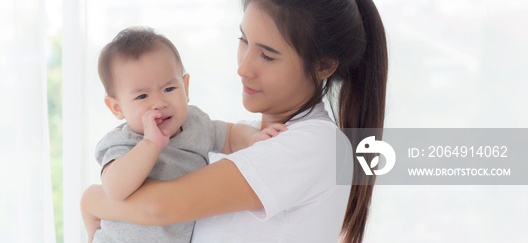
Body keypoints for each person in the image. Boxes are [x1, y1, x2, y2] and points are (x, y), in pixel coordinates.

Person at [82, 0, 387, 241]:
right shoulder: (253, 136)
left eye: (267, 56)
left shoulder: (316, 144)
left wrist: (91, 199)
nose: (243, 68)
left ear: (323, 66)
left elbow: (160, 207)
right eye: (243, 40)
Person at [93, 27, 288, 242]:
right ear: (116, 108)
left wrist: (253, 138)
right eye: (142, 96)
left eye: (169, 89)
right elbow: (114, 189)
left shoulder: (196, 124)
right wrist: (150, 144)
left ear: (185, 88)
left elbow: (230, 134)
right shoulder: (124, 141)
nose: (159, 103)